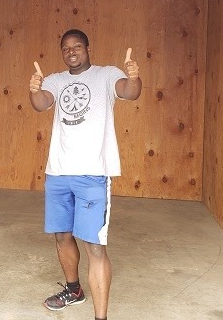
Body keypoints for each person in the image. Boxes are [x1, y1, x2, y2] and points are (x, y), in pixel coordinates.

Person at [29, 28, 142, 320]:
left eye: (77, 46)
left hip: (92, 174)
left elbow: (130, 91)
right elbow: (41, 104)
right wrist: (34, 90)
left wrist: (133, 77)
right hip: (58, 173)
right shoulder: (55, 80)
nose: (71, 52)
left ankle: (100, 317)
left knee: (94, 245)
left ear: (88, 48)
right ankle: (73, 290)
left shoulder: (106, 75)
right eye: (66, 48)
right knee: (61, 235)